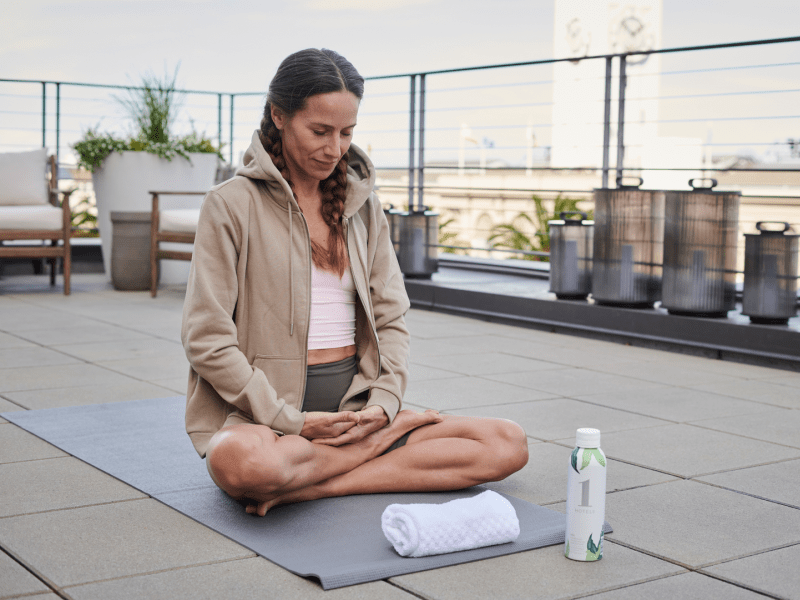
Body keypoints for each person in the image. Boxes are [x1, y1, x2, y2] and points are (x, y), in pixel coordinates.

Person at [181, 48, 528, 517]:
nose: (335, 148)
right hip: (264, 417)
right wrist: (292, 421)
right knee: (243, 465)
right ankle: (362, 457)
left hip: (357, 409)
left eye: (347, 132)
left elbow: (391, 317)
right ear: (278, 116)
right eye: (320, 131)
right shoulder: (229, 205)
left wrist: (383, 406)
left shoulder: (364, 208)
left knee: (507, 443)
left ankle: (312, 486)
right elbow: (207, 339)